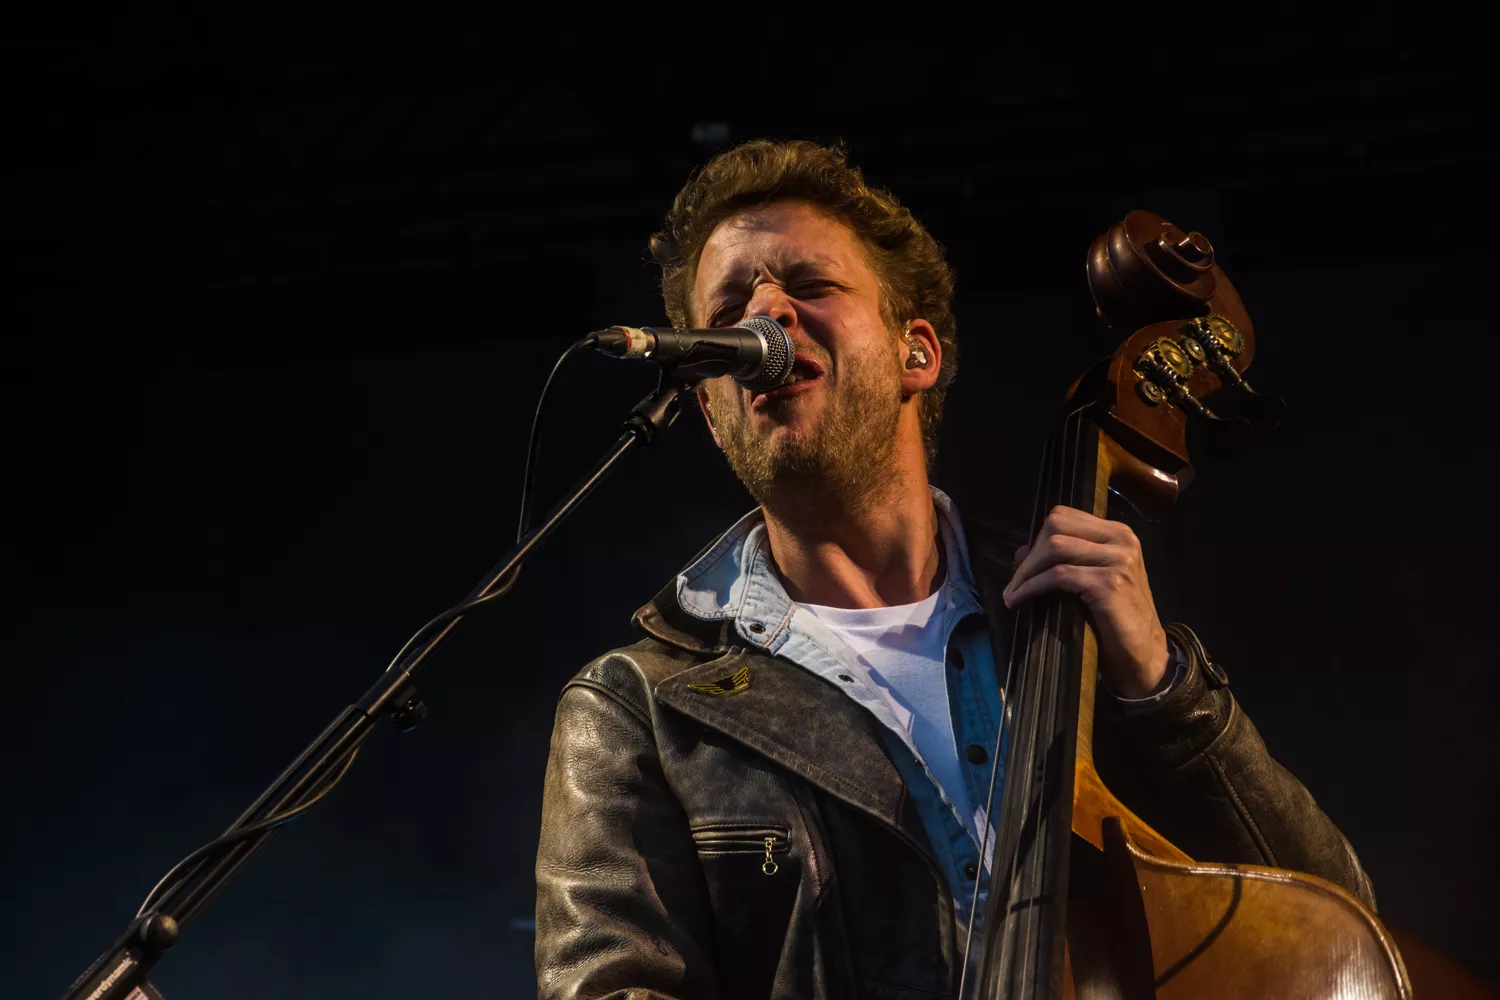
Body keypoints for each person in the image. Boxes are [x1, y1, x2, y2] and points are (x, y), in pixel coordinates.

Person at [534, 139, 1374, 1000]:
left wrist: (1165, 694)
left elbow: (1335, 936)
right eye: (729, 307)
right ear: (713, 412)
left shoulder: (1073, 621)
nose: (766, 314)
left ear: (918, 355)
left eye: (809, 284)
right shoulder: (637, 710)